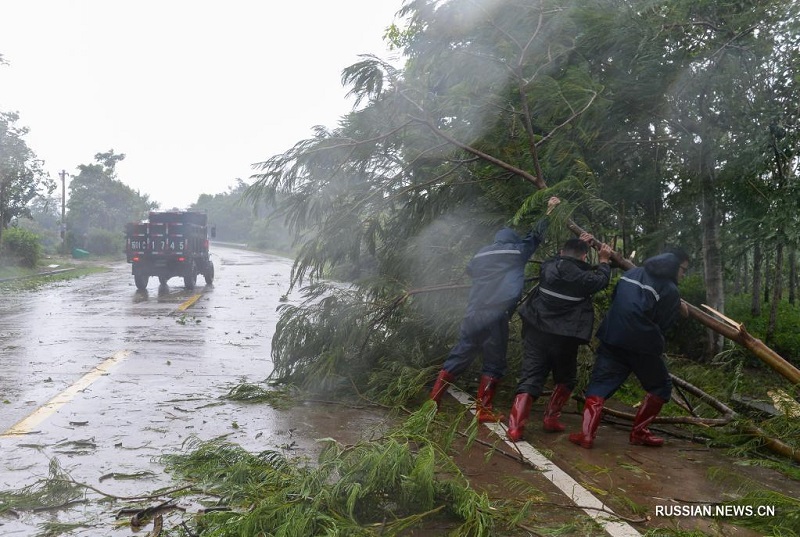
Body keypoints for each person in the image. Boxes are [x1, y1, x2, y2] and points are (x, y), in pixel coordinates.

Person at [429, 196, 561, 422]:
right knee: (494, 361)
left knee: (460, 355)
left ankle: (433, 403)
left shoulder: (481, 254)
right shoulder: (516, 252)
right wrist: (549, 211)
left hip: (473, 313)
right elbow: (535, 236)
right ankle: (484, 410)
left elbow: (471, 271)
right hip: (495, 314)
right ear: (511, 240)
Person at [568, 248, 690, 449]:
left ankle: (587, 434)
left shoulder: (632, 273)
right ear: (673, 267)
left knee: (599, 385)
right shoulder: (670, 289)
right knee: (661, 386)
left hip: (612, 336)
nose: (683, 274)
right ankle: (639, 432)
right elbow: (664, 324)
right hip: (643, 344)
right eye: (683, 270)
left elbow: (617, 298)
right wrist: (677, 307)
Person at [506, 233, 613, 441]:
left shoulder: (548, 267)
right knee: (566, 378)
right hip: (565, 337)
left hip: (537, 330)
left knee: (531, 376)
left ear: (562, 253)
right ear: (584, 257)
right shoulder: (586, 280)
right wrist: (603, 260)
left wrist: (582, 245)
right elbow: (601, 279)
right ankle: (550, 419)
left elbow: (565, 262)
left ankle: (515, 428)